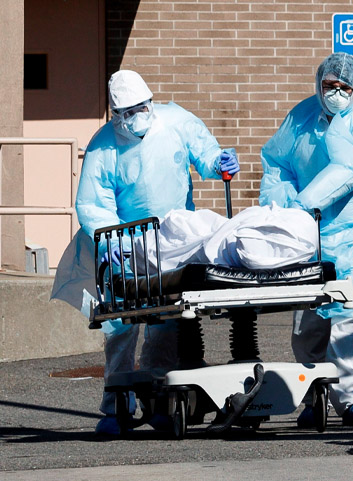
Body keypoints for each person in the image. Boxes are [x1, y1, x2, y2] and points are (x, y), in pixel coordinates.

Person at [55, 69, 239, 435]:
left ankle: (160, 403)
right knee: (120, 329)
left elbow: (204, 153)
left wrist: (219, 162)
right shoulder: (103, 146)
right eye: (127, 111)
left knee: (165, 326)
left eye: (142, 107)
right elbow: (92, 205)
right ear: (115, 112)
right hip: (123, 248)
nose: (137, 116)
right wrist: (118, 243)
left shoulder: (175, 121)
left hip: (170, 241)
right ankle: (116, 407)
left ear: (150, 102)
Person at [260, 52, 353, 426]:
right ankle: (314, 394)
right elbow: (276, 162)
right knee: (309, 321)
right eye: (329, 86)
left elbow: (348, 170)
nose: (336, 93)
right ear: (318, 85)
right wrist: (279, 207)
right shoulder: (301, 118)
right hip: (310, 233)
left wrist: (304, 203)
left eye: (344, 87)